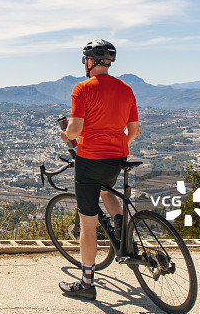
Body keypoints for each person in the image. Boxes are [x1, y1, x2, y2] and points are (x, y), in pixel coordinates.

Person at [58, 39, 139, 300]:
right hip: (117, 159)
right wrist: (117, 147)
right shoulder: (126, 89)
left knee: (88, 224)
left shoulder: (82, 88)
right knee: (108, 192)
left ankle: (87, 283)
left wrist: (66, 135)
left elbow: (76, 129)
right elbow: (134, 131)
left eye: (85, 60)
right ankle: (121, 229)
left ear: (90, 61)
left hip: (89, 161)